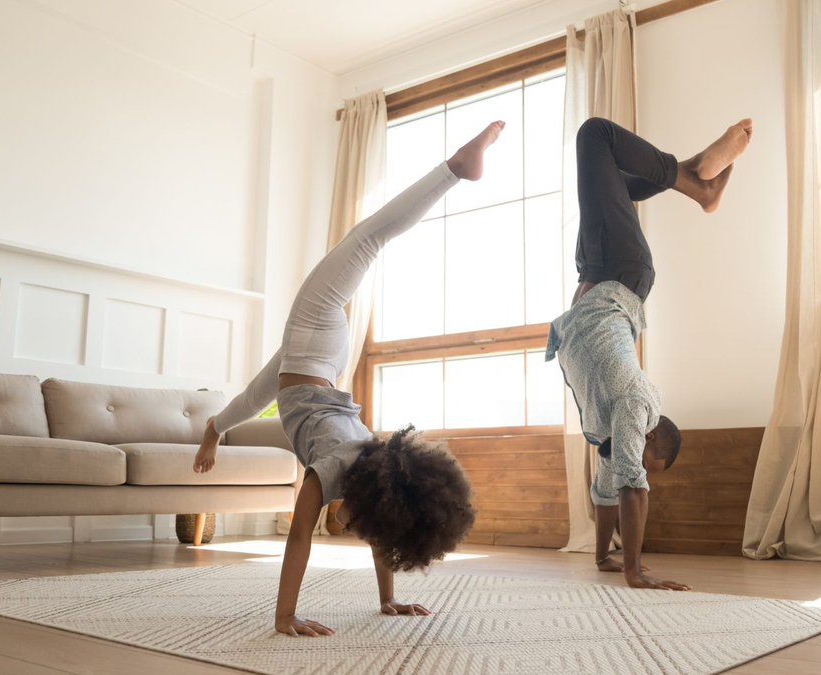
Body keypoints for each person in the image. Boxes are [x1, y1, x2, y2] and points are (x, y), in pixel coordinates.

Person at [192, 121, 506, 637]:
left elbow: (345, 536)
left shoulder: (361, 468)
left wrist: (388, 599)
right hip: (318, 358)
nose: (365, 531)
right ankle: (456, 168)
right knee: (368, 237)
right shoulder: (345, 466)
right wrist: (287, 616)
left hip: (311, 373)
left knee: (257, 392)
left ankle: (214, 427)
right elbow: (305, 538)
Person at [546, 116, 752, 590]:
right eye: (644, 456)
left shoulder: (607, 435)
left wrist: (604, 559)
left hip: (596, 269)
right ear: (651, 435)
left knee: (612, 176)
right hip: (621, 274)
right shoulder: (638, 405)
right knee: (594, 135)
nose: (633, 461)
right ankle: (697, 184)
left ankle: (688, 174)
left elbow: (604, 496)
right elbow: (631, 487)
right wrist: (635, 572)